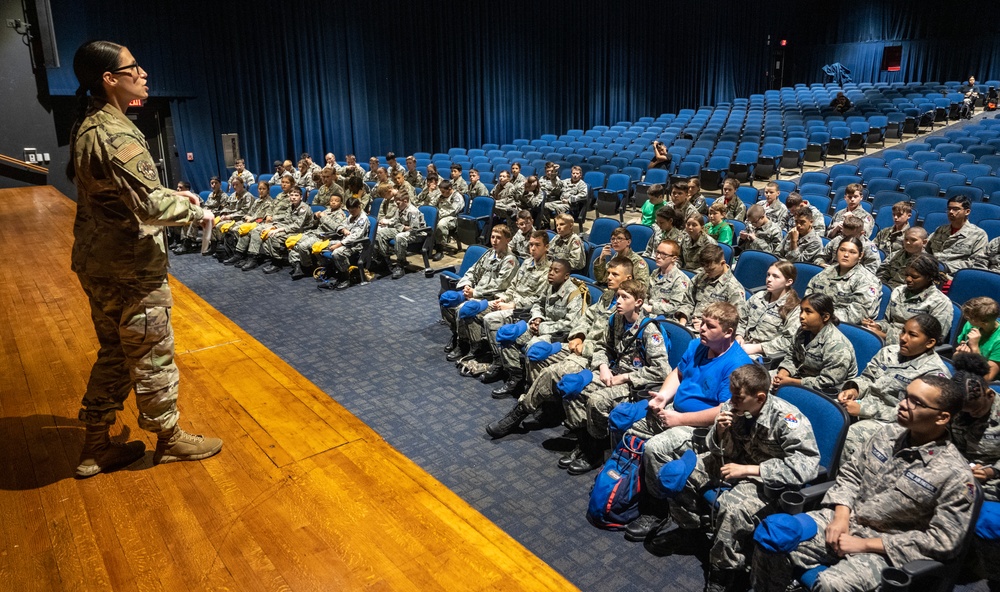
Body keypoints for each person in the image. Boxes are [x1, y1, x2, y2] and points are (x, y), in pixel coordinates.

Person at [67, 40, 222, 476]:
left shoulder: (91, 125)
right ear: (109, 79)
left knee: (114, 352)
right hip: (132, 268)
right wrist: (195, 211)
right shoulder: (115, 131)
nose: (144, 73)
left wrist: (170, 194)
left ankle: (96, 446)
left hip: (101, 262)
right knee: (152, 354)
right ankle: (169, 439)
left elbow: (122, 197)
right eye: (134, 67)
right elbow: (149, 207)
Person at [752, 374, 975, 592]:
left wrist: (866, 544)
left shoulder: (955, 474)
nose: (903, 405)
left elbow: (943, 540)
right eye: (906, 396)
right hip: (845, 519)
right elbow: (851, 474)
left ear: (942, 417)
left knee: (833, 585)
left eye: (917, 403)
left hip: (886, 550)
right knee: (774, 536)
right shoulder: (888, 433)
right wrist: (840, 516)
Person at [655, 364, 820, 592]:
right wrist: (720, 431)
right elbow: (715, 448)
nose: (731, 401)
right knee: (682, 474)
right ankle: (689, 531)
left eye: (738, 397)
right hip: (733, 459)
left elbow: (807, 466)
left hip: (765, 478)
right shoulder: (733, 404)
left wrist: (752, 471)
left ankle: (724, 570)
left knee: (732, 509)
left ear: (760, 397)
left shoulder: (787, 419)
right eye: (731, 395)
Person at [622, 302, 754, 540]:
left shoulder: (738, 366)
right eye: (701, 322)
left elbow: (724, 412)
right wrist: (663, 396)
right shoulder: (697, 345)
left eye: (709, 326)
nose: (701, 328)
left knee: (656, 448)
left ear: (728, 332)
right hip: (674, 412)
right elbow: (678, 373)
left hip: (703, 429)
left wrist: (679, 419)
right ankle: (630, 490)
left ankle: (658, 510)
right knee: (630, 430)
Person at [484, 258, 633, 447]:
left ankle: (520, 412)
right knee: (536, 357)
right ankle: (549, 409)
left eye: (614, 274)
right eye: (609, 273)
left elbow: (613, 347)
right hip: (580, 345)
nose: (608, 277)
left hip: (594, 356)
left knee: (551, 372)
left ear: (628, 278)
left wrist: (584, 347)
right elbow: (586, 318)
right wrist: (578, 335)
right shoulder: (607, 296)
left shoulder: (629, 306)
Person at [560, 279, 672, 474]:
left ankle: (594, 452)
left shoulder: (649, 330)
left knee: (596, 400)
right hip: (612, 373)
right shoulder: (615, 319)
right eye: (618, 296)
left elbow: (662, 370)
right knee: (572, 389)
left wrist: (626, 377)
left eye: (624, 297)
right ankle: (584, 441)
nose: (618, 301)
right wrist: (602, 365)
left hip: (636, 384)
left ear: (638, 302)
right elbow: (603, 347)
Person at [837, 314, 950, 459]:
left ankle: (844, 479)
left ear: (929, 342)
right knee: (829, 415)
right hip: (861, 405)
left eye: (912, 335)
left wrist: (865, 410)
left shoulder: (933, 375)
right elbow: (868, 377)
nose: (903, 338)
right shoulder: (889, 352)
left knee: (852, 436)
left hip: (896, 423)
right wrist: (854, 390)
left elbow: (915, 414)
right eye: (903, 331)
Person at [488, 259, 588, 399]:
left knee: (532, 347)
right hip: (540, 325)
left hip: (557, 334)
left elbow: (571, 324)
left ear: (566, 276)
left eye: (556, 271)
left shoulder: (573, 295)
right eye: (550, 269)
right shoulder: (550, 286)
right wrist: (537, 318)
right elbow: (537, 304)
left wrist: (542, 327)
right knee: (508, 337)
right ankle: (515, 377)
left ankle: (532, 388)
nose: (551, 273)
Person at [470, 230, 551, 384]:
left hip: (523, 311)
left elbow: (537, 300)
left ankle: (505, 368)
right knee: (473, 308)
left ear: (546, 247)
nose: (532, 248)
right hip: (509, 302)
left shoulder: (548, 270)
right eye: (531, 245)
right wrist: (503, 298)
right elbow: (513, 286)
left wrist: (511, 305)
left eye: (537, 245)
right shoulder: (526, 262)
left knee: (490, 319)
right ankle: (491, 355)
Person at [949, 353, 1000, 584]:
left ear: (989, 394)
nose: (972, 414)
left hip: (993, 483)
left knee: (984, 518)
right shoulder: (956, 411)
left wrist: (991, 471)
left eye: (977, 409)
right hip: (959, 474)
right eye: (966, 411)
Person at [442, 226, 520, 361]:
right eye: (493, 237)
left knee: (464, 309)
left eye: (499, 238)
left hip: (492, 297)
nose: (494, 241)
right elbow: (473, 270)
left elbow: (498, 285)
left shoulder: (510, 260)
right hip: (474, 292)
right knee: (446, 301)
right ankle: (458, 334)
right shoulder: (489, 253)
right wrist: (466, 285)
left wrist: (474, 292)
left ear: (507, 240)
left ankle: (472, 345)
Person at [773, 294, 858, 394]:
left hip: (827, 392)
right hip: (799, 378)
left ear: (825, 317)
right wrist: (782, 375)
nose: (801, 316)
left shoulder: (837, 345)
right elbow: (792, 356)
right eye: (801, 310)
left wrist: (791, 382)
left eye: (808, 312)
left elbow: (827, 382)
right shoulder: (803, 331)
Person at [862, 254, 952, 346]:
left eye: (915, 277)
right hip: (886, 341)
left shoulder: (940, 302)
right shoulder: (899, 291)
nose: (908, 279)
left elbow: (932, 339)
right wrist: (877, 326)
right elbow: (888, 322)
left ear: (929, 277)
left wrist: (885, 336)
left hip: (913, 351)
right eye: (907, 275)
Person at [806, 236, 882, 324]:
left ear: (860, 255)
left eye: (852, 252)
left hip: (841, 326)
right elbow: (809, 293)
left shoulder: (868, 280)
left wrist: (820, 316)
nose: (846, 255)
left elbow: (858, 313)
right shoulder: (827, 272)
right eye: (842, 250)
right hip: (814, 320)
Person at [738, 261, 799, 360]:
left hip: (764, 355)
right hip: (742, 344)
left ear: (788, 282)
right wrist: (738, 336)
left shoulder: (793, 309)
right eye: (768, 275)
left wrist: (758, 348)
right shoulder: (758, 296)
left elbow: (788, 341)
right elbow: (741, 318)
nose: (769, 279)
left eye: (775, 276)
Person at [680, 245, 746, 329]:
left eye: (711, 269)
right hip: (688, 324)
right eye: (705, 269)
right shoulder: (701, 277)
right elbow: (687, 301)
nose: (707, 273)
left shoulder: (734, 288)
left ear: (722, 263)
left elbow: (737, 322)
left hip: (712, 332)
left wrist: (706, 324)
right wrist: (682, 323)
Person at [288, 193, 346, 279]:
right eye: (331, 201)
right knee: (292, 242)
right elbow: (314, 224)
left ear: (341, 203)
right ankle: (297, 265)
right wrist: (315, 217)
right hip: (314, 233)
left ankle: (307, 267)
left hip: (325, 237)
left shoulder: (341, 215)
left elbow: (336, 228)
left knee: (302, 246)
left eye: (336, 201)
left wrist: (323, 217)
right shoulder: (326, 211)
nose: (333, 202)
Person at [927, 195, 989, 273]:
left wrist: (945, 267)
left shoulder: (978, 235)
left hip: (953, 274)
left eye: (955, 209)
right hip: (929, 271)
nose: (951, 212)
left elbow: (977, 262)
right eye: (949, 209)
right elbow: (926, 249)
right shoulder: (940, 230)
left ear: (967, 212)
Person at [318, 197, 370, 290]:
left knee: (337, 253)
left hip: (356, 244)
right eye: (350, 211)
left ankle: (345, 278)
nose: (351, 213)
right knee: (320, 245)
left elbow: (355, 237)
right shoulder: (351, 216)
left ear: (359, 207)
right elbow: (342, 224)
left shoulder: (363, 219)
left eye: (353, 211)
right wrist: (344, 229)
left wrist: (338, 245)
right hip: (345, 241)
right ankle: (333, 270)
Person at [259, 187, 313, 274]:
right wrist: (273, 227)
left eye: (296, 195)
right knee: (268, 234)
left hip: (303, 232)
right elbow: (287, 222)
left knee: (274, 237)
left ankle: (277, 263)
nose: (293, 197)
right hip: (293, 230)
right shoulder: (290, 207)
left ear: (301, 197)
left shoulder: (304, 208)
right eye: (291, 195)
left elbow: (297, 226)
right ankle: (275, 260)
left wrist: (278, 230)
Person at [375, 191, 427, 280]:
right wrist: (403, 227)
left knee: (400, 237)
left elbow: (413, 229)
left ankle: (401, 264)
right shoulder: (399, 209)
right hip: (402, 230)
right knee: (379, 233)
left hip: (417, 234)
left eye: (398, 202)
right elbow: (396, 222)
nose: (396, 204)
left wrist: (402, 227)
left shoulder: (412, 211)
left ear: (405, 201)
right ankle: (386, 259)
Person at [956, 297, 1000, 381]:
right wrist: (961, 354)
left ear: (984, 323)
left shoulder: (998, 341)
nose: (967, 320)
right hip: (965, 372)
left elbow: (987, 378)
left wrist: (975, 349)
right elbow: (955, 356)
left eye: (969, 319)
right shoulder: (970, 325)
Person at [646, 239, 691, 321]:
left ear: (673, 258)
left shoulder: (680, 279)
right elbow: (646, 294)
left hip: (666, 319)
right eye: (658, 252)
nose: (658, 256)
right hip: (647, 313)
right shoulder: (655, 273)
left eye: (664, 254)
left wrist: (651, 308)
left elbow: (676, 307)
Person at [430, 179, 465, 260]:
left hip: (453, 218)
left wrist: (438, 215)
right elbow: (432, 204)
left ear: (449, 189)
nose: (441, 193)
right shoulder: (441, 195)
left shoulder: (457, 197)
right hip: (440, 215)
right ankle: (429, 244)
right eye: (441, 191)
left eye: (443, 192)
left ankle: (440, 249)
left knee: (441, 224)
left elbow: (452, 211)